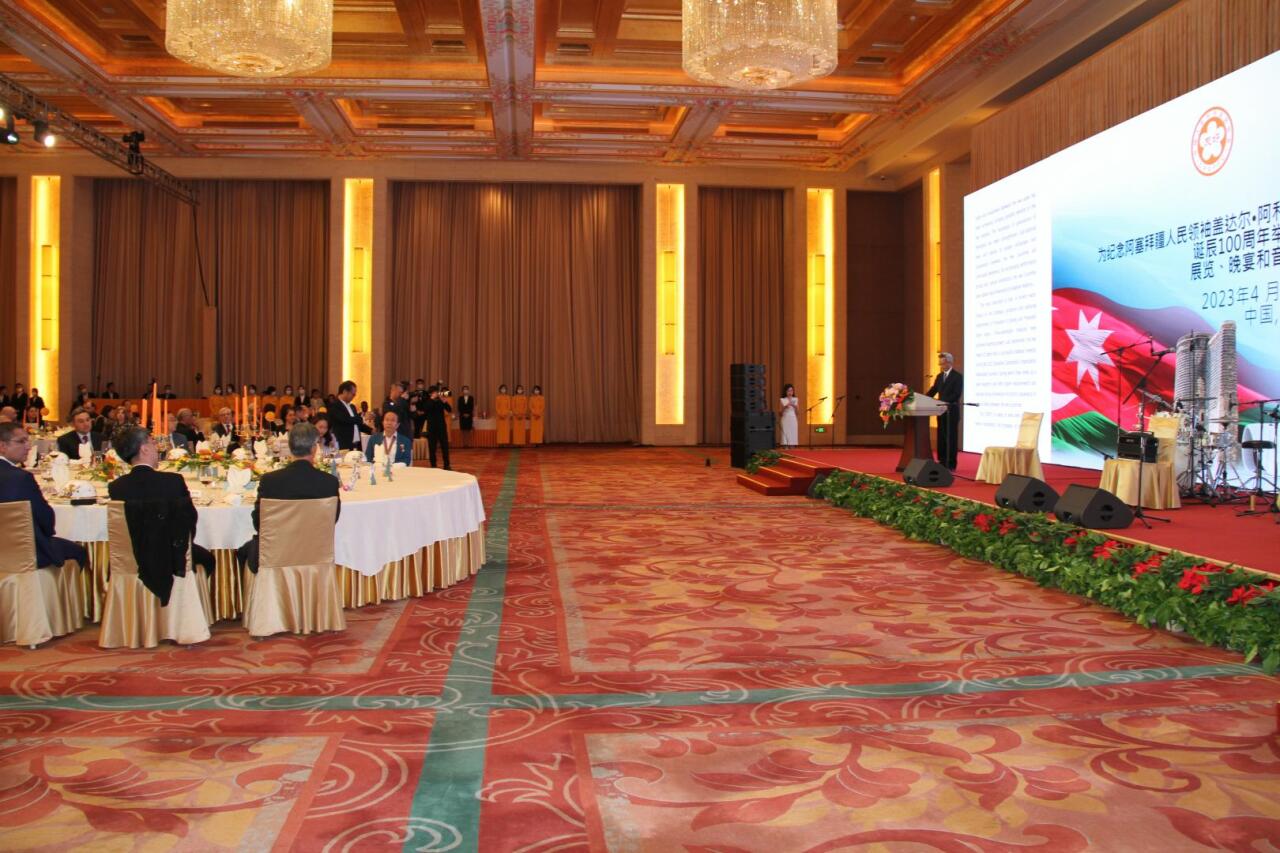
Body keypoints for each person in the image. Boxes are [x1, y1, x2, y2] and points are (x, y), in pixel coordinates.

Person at [108, 425, 216, 578]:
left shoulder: (116, 487)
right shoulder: (173, 481)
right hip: (171, 558)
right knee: (209, 560)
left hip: (132, 557)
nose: (157, 448)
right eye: (153, 443)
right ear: (144, 449)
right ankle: (185, 591)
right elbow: (188, 521)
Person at [237, 423, 341, 573]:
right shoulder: (329, 483)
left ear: (290, 448)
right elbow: (331, 520)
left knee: (244, 550)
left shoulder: (270, 481)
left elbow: (259, 523)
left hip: (275, 557)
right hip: (315, 556)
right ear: (314, 448)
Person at [0, 421, 88, 569]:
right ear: (2, 446)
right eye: (21, 441)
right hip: (25, 553)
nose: (28, 446)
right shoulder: (21, 478)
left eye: (28, 441)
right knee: (79, 552)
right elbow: (46, 522)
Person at [926, 351, 964, 470]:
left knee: (951, 438)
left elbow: (956, 394)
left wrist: (942, 401)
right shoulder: (939, 376)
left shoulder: (957, 376)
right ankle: (942, 461)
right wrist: (923, 398)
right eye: (940, 364)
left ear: (949, 362)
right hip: (941, 411)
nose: (941, 366)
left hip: (951, 412)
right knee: (941, 437)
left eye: (942, 363)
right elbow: (933, 390)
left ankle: (951, 463)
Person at [330, 381, 372, 450]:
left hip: (356, 443)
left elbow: (357, 423)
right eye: (353, 394)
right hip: (344, 444)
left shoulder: (352, 406)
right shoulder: (335, 405)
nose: (354, 396)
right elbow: (345, 420)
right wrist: (363, 418)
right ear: (344, 392)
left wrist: (371, 430)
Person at [423, 384, 453, 469]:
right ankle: (433, 465)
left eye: (437, 392)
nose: (437, 393)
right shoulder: (427, 400)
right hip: (432, 428)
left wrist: (445, 401)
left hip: (441, 427)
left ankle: (447, 465)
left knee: (445, 446)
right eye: (435, 392)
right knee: (432, 447)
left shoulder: (440, 400)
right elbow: (426, 409)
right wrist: (432, 399)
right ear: (430, 393)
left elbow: (449, 410)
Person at [779, 383, 799, 448]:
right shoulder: (782, 400)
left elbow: (797, 413)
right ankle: (785, 447)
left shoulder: (795, 399)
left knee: (793, 434)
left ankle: (792, 447)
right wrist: (785, 407)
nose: (790, 392)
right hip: (785, 418)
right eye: (788, 391)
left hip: (793, 419)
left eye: (791, 391)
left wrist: (795, 406)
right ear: (785, 391)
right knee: (785, 434)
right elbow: (780, 413)